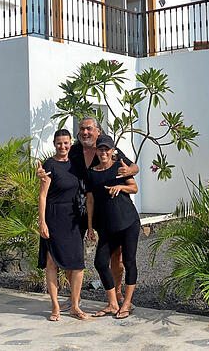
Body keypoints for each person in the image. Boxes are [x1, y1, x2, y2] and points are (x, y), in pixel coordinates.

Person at [69, 116, 139, 300]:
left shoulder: (109, 150)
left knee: (116, 255)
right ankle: (73, 297)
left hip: (105, 211)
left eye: (89, 129)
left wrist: (128, 172)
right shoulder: (74, 150)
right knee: (74, 251)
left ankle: (116, 293)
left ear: (98, 131)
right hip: (76, 208)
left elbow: (133, 168)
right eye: (82, 129)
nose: (85, 132)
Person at [85, 134, 140, 319]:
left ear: (112, 150)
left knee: (130, 261)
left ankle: (126, 303)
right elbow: (90, 200)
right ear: (97, 150)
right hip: (107, 227)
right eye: (100, 149)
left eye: (107, 149)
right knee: (100, 262)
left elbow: (134, 188)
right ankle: (112, 303)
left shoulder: (119, 167)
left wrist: (121, 187)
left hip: (128, 222)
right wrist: (90, 227)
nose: (104, 152)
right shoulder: (92, 172)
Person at [36, 129, 88, 321]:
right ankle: (56, 307)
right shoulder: (49, 165)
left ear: (70, 143)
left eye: (66, 143)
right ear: (54, 144)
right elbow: (42, 196)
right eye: (59, 143)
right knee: (52, 262)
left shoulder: (74, 164)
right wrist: (42, 222)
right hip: (54, 216)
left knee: (78, 263)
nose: (63, 146)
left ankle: (74, 305)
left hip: (73, 217)